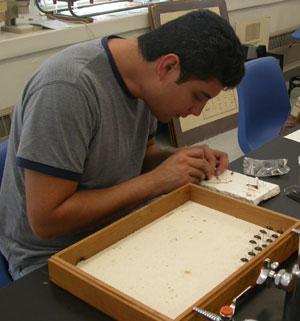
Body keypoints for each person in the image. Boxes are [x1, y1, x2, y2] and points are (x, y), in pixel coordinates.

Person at [0, 9, 245, 280]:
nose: (197, 112)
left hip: (116, 226)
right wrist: (156, 181)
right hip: (51, 256)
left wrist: (182, 161)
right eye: (197, 96)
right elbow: (46, 220)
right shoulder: (67, 89)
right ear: (168, 66)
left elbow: (141, 155)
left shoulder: (143, 80)